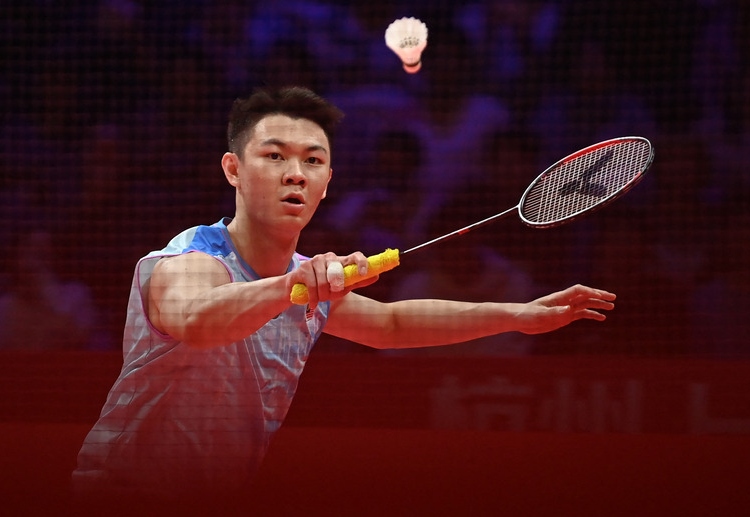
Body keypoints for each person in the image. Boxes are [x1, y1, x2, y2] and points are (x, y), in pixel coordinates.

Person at [71, 86, 615, 508]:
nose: (295, 174)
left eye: (312, 161)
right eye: (274, 156)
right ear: (233, 169)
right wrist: (293, 288)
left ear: (328, 181)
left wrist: (519, 315)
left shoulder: (304, 279)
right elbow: (196, 319)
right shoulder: (189, 259)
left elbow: (392, 324)